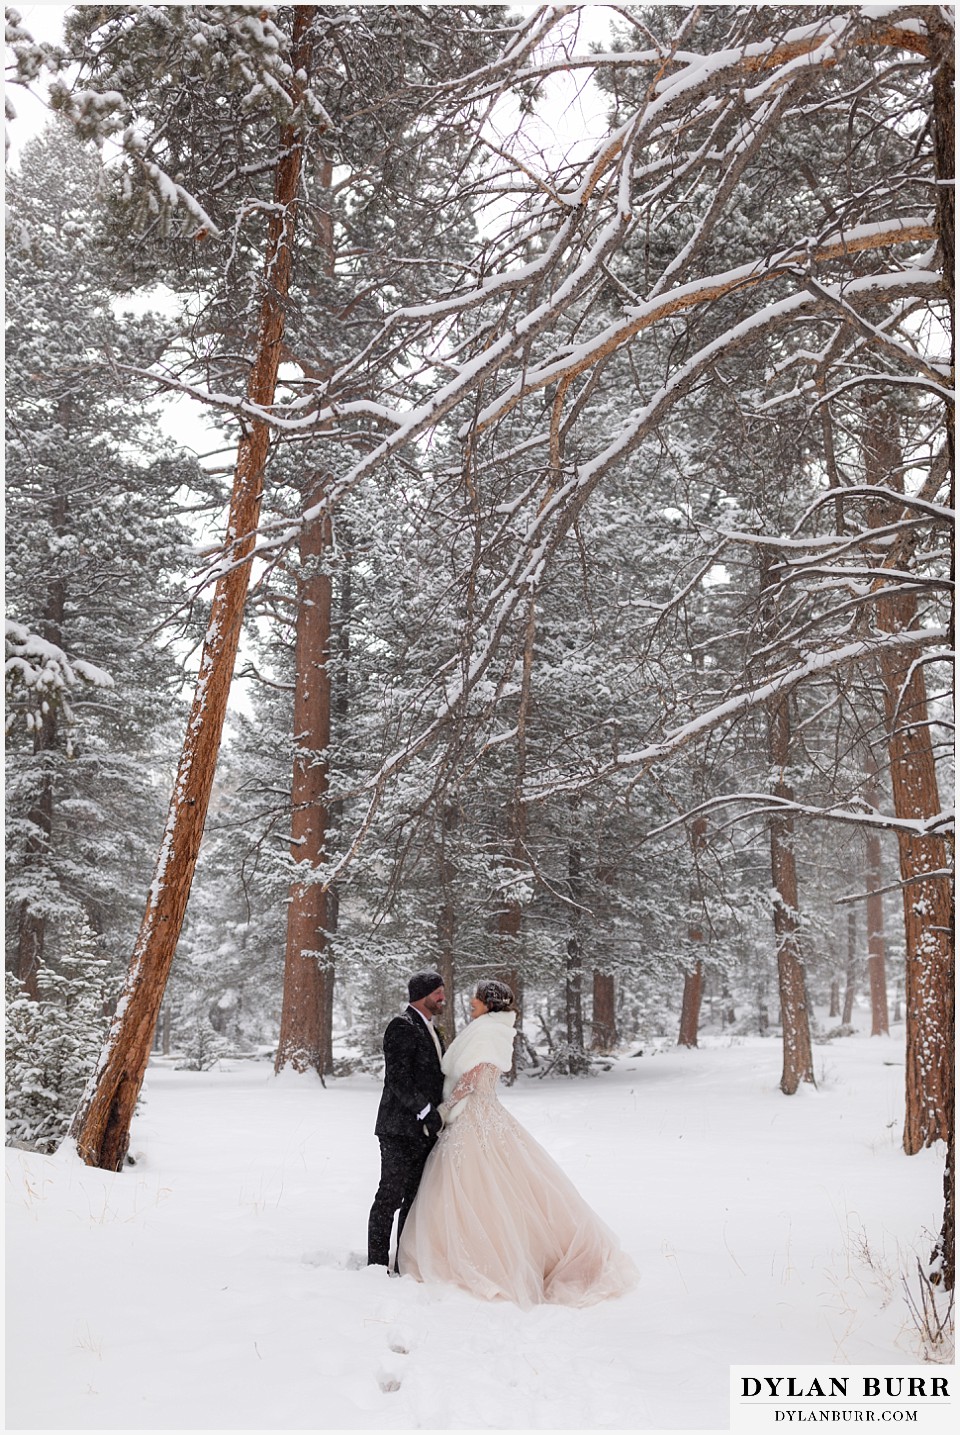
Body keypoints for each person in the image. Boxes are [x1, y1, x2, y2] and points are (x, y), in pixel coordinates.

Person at [398, 979, 638, 1309]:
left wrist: (443, 1109)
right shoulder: (490, 1027)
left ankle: (483, 1259)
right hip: (480, 1114)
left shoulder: (487, 1032)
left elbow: (471, 1079)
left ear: (489, 1003)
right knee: (492, 1187)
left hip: (474, 1115)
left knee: (478, 1188)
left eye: (477, 998)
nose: (471, 1001)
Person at [367, 970, 446, 1270]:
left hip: (423, 1133)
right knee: (390, 1196)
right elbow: (398, 1079)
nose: (443, 998)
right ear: (422, 995)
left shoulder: (433, 1030)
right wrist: (427, 1111)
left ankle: (402, 1262)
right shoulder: (401, 1026)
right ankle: (375, 1265)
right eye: (438, 992)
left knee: (413, 1202)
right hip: (398, 1130)